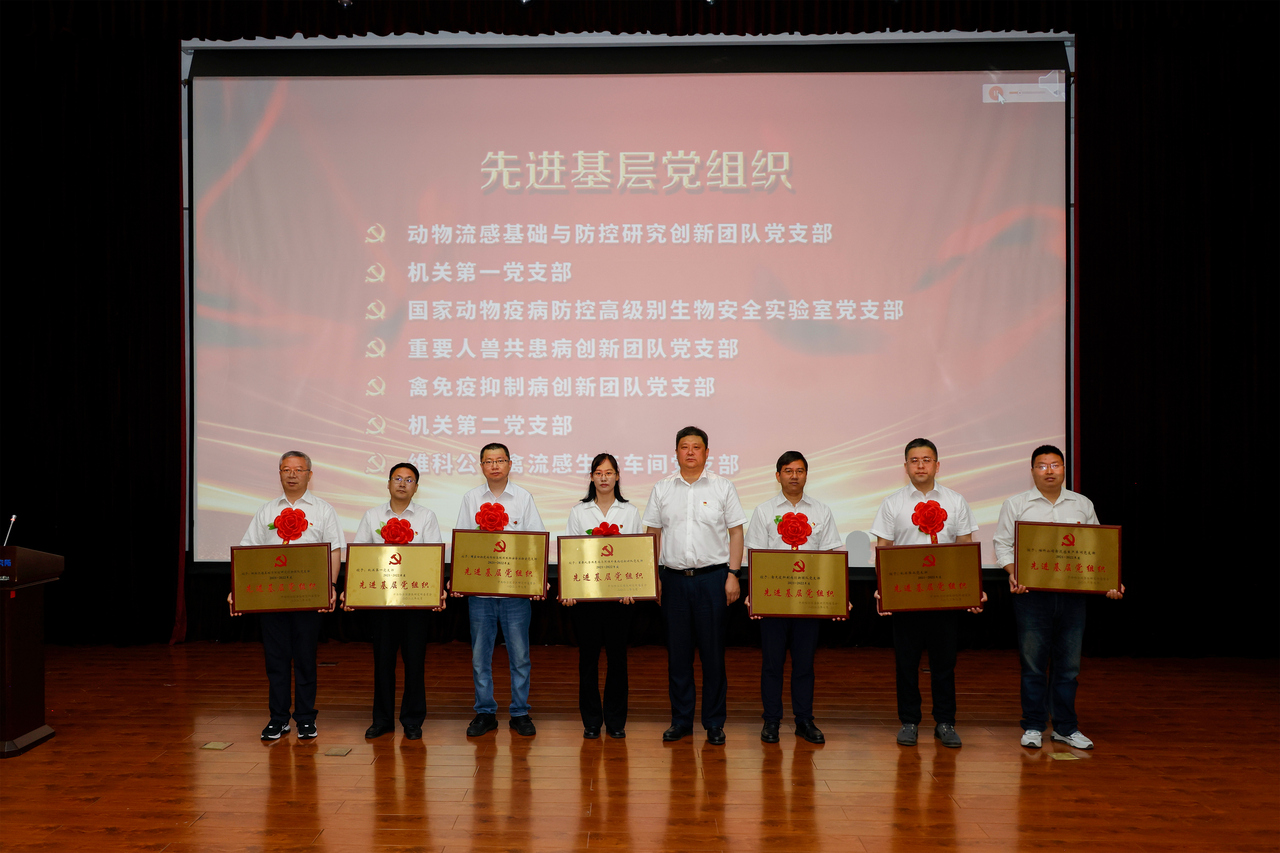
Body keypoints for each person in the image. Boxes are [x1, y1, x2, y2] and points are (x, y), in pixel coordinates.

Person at [993, 445, 1125, 750]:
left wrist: (1109, 581)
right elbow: (1002, 544)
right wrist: (1014, 572)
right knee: (1033, 665)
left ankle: (1066, 727)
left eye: (1055, 465)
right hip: (1031, 595)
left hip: (1072, 597)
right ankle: (1033, 726)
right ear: (1032, 471)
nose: (1049, 471)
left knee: (1068, 667)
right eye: (1042, 465)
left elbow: (1099, 547)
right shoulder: (1016, 504)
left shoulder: (1081, 504)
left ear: (1064, 469)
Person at [870, 438, 986, 749]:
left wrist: (973, 589)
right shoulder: (892, 503)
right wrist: (884, 590)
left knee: (944, 663)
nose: (920, 465)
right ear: (905, 466)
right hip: (907, 596)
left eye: (926, 460)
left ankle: (945, 722)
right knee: (906, 663)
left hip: (945, 597)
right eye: (914, 460)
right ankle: (909, 721)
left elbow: (964, 547)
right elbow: (884, 550)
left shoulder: (955, 501)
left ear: (937, 465)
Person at [643, 426, 746, 745]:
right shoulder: (662, 488)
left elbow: (736, 532)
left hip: (713, 579)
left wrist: (733, 574)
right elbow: (652, 534)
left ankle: (714, 722)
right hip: (673, 580)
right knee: (678, 655)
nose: (690, 452)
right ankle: (681, 720)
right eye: (684, 447)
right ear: (676, 452)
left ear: (707, 452)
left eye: (696, 447)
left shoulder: (722, 487)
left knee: (713, 654)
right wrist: (652, 576)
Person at [232, 451, 343, 741]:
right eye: (286, 469)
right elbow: (248, 551)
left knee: (305, 659)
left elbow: (334, 550)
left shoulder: (323, 510)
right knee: (276, 660)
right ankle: (278, 718)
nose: (292, 474)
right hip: (273, 598)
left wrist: (331, 586)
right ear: (279, 474)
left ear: (310, 475)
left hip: (309, 596)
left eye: (299, 469)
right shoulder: (266, 511)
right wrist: (238, 589)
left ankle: (305, 718)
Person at [743, 451, 846, 745]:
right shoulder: (764, 511)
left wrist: (837, 596)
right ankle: (771, 720)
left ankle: (804, 720)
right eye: (788, 471)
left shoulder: (821, 511)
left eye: (799, 471)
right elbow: (755, 557)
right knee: (772, 664)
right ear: (778, 476)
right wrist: (755, 596)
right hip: (773, 600)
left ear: (806, 475)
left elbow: (829, 556)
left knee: (804, 664)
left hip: (808, 600)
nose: (794, 476)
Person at [454, 443, 547, 738]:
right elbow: (463, 543)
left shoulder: (523, 498)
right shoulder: (471, 498)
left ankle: (520, 712)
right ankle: (485, 712)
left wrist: (538, 580)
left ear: (509, 464)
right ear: (481, 466)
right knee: (480, 657)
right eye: (488, 461)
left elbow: (535, 541)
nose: (494, 465)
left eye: (500, 460)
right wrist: (458, 579)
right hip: (480, 595)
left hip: (515, 594)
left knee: (520, 656)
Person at [350, 462, 445, 741]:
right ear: (388, 483)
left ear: (416, 487)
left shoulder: (426, 517)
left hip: (415, 601)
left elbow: (433, 558)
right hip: (382, 600)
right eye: (397, 478)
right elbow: (360, 556)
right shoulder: (372, 516)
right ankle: (382, 720)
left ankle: (412, 720)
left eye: (409, 479)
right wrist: (353, 591)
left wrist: (436, 591)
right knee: (383, 661)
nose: (402, 483)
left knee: (414, 662)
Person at [561, 453, 644, 740]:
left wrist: (633, 588)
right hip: (587, 599)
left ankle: (616, 721)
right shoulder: (579, 511)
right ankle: (592, 721)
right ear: (592, 477)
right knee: (588, 660)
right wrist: (569, 590)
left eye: (609, 473)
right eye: (598, 473)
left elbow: (637, 554)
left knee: (618, 660)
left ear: (617, 476)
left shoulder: (629, 511)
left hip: (620, 600)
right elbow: (571, 554)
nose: (604, 478)